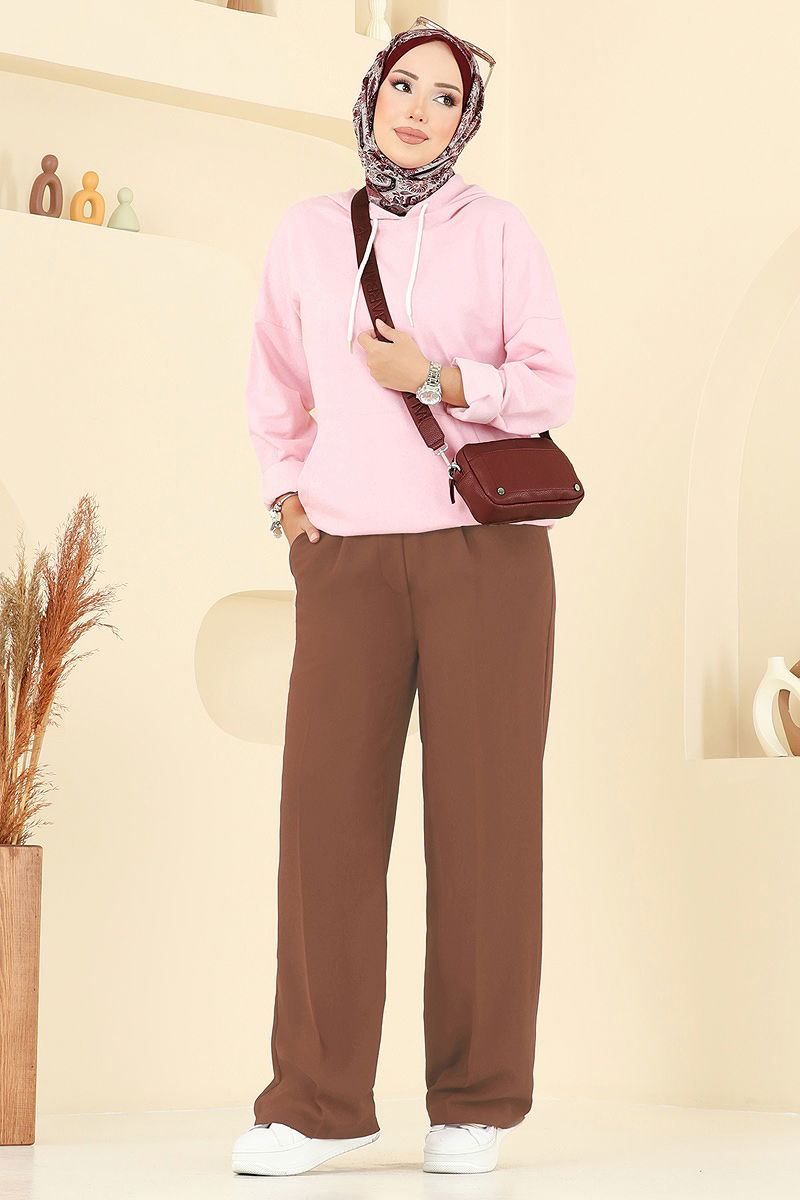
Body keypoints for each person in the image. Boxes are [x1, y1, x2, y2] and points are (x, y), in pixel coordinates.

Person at [232, 17, 576, 1178]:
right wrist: (287, 504)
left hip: (484, 556)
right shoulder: (305, 233)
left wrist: (433, 375)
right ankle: (309, 1103)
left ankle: (473, 1102)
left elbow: (549, 383)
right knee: (322, 825)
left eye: (444, 96)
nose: (419, 109)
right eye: (403, 85)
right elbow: (274, 384)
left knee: (483, 828)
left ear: (465, 120)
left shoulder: (499, 231)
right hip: (346, 557)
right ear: (371, 93)